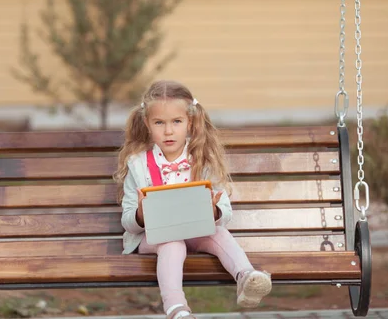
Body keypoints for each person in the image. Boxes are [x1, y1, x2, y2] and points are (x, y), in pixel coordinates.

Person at [114, 80, 272, 319]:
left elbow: (225, 212)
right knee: (172, 242)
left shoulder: (201, 159)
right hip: (153, 237)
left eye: (176, 122)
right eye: (159, 123)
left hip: (195, 231)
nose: (168, 131)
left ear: (190, 122)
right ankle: (176, 308)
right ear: (147, 123)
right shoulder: (138, 164)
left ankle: (246, 277)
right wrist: (140, 215)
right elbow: (128, 221)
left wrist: (213, 211)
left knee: (219, 234)